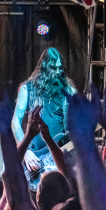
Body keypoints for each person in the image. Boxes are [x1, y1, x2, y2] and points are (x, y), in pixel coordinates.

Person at [11, 48, 76, 183]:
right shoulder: (27, 89)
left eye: (60, 68)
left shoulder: (69, 91)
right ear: (44, 67)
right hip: (34, 156)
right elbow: (15, 122)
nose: (57, 72)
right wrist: (26, 152)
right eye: (53, 68)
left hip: (59, 157)